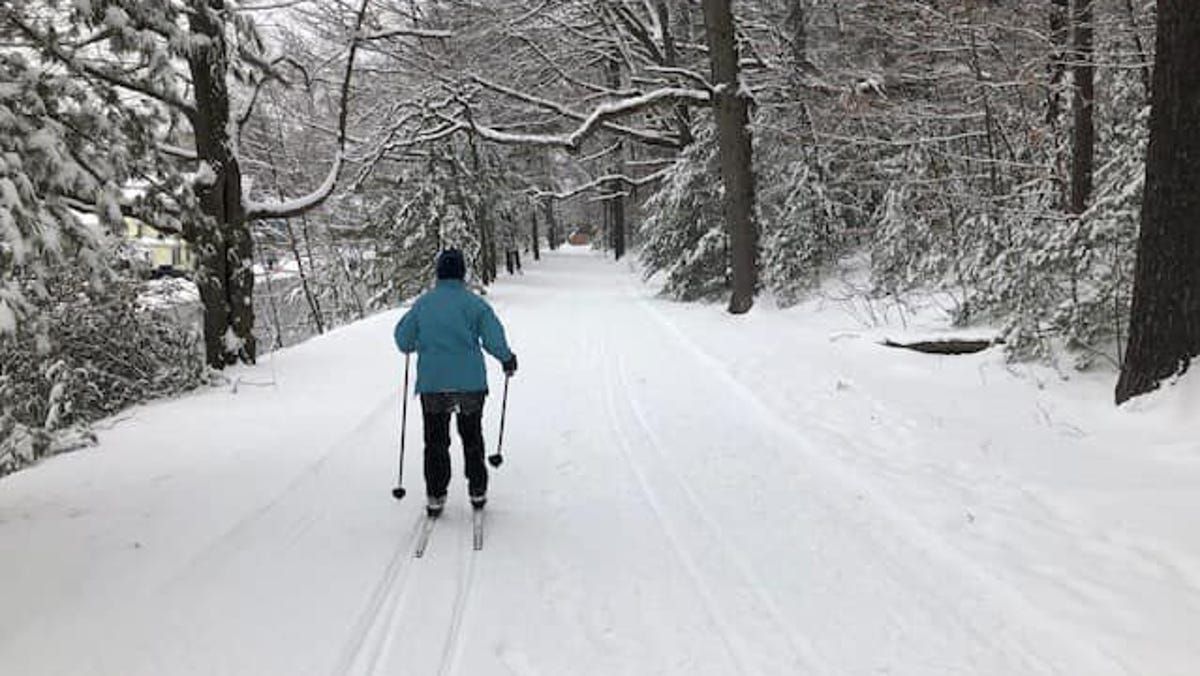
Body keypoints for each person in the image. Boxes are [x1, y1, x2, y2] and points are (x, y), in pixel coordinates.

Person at [393, 249, 517, 516]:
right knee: (472, 437)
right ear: (462, 273)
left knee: (436, 442)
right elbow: (493, 338)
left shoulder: (424, 304)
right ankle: (477, 490)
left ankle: (436, 495)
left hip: (433, 385)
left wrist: (421, 341)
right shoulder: (475, 304)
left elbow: (403, 340)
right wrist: (507, 359)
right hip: (470, 385)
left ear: (438, 273)